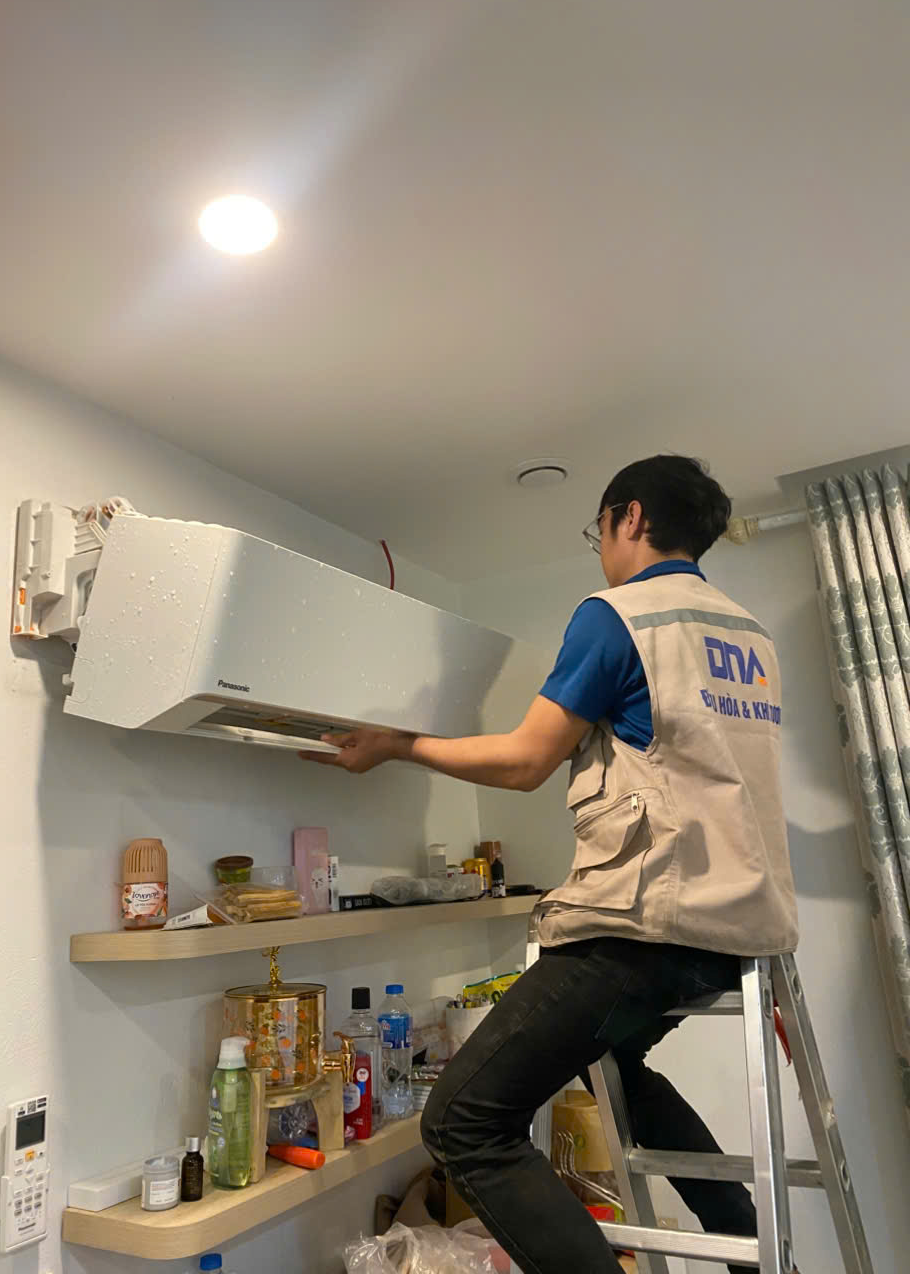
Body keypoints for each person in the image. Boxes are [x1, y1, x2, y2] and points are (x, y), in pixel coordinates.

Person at [301, 454, 799, 1274]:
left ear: (629, 517)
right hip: (736, 932)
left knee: (461, 1120)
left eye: (598, 530)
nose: (600, 551)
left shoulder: (619, 616)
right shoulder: (748, 635)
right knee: (616, 1064)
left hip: (641, 927)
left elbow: (527, 759)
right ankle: (751, 1250)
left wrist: (397, 745)